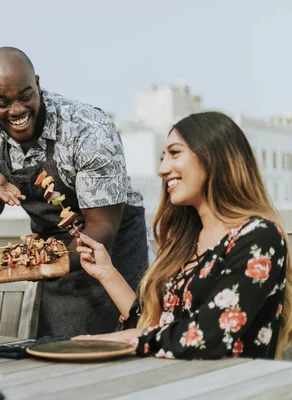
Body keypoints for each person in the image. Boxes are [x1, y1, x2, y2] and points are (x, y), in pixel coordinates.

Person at [0, 47, 148, 337]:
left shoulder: (88, 129)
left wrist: (35, 261)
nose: (17, 110)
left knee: (118, 354)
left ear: (37, 83)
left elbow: (102, 229)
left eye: (26, 96)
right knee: (58, 351)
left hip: (111, 251)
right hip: (55, 257)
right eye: (2, 102)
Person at [74, 111, 291, 359]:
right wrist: (107, 273)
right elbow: (151, 327)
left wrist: (113, 340)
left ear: (214, 158)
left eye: (175, 153)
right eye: (162, 156)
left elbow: (211, 335)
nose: (162, 169)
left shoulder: (260, 237)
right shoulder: (185, 242)